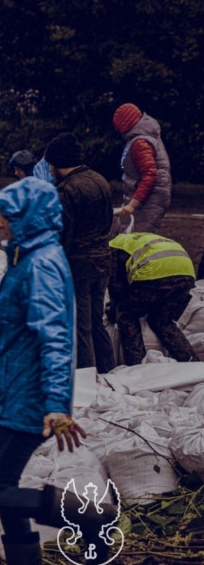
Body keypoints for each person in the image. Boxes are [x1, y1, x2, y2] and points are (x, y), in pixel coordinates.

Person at [0, 175, 112, 565]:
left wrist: (55, 405)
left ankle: (87, 515)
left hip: (29, 399)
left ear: (29, 218)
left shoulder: (41, 264)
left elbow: (56, 339)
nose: (0, 223)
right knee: (5, 487)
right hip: (20, 392)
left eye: (7, 216)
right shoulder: (29, 256)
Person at [44, 132, 115, 373]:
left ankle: (86, 379)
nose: (50, 170)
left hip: (79, 265)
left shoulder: (66, 192)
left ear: (57, 163)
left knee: (80, 326)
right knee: (97, 322)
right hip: (103, 260)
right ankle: (108, 371)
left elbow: (61, 235)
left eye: (50, 165)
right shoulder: (100, 180)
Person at [108, 232, 197, 365]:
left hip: (154, 273)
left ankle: (137, 367)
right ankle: (192, 363)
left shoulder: (112, 248)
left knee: (126, 315)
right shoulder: (134, 240)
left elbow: (117, 286)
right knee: (162, 321)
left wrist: (112, 312)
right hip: (186, 272)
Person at [113, 103, 171, 233]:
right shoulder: (144, 137)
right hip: (148, 196)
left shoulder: (140, 143)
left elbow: (149, 175)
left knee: (138, 238)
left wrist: (133, 204)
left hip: (149, 198)